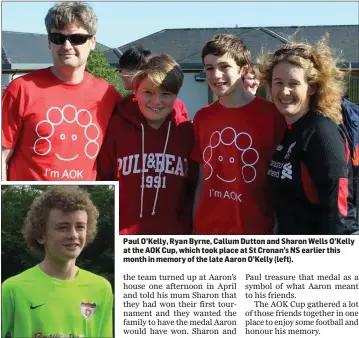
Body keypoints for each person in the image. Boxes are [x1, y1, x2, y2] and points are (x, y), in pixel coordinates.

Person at [2, 2, 122, 181]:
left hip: (82, 203)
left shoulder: (108, 95)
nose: (67, 46)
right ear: (49, 42)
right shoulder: (22, 89)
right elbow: (2, 155)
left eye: (77, 38)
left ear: (93, 42)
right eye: (58, 38)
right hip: (32, 203)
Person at [258, 37, 359, 234]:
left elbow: (340, 213)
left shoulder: (322, 133)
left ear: (311, 87)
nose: (284, 91)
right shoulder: (287, 130)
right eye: (278, 82)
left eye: (293, 83)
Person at [191, 34, 285, 235]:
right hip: (208, 230)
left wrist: (278, 224)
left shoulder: (271, 115)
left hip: (256, 229)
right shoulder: (202, 117)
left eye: (224, 67)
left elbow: (280, 179)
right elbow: (202, 179)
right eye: (209, 68)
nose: (216, 75)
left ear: (243, 69)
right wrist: (194, 225)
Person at [98, 54, 198, 234]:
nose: (156, 102)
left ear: (176, 95)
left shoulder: (186, 133)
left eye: (165, 94)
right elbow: (104, 180)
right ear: (136, 90)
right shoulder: (117, 127)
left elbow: (193, 188)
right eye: (148, 92)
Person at [1, 186, 113, 337]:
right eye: (63, 227)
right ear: (41, 235)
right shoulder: (12, 289)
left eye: (80, 227)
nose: (73, 235)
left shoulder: (101, 288)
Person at [119, 46, 190, 120]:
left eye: (124, 70)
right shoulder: (178, 104)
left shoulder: (124, 107)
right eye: (148, 92)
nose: (122, 75)